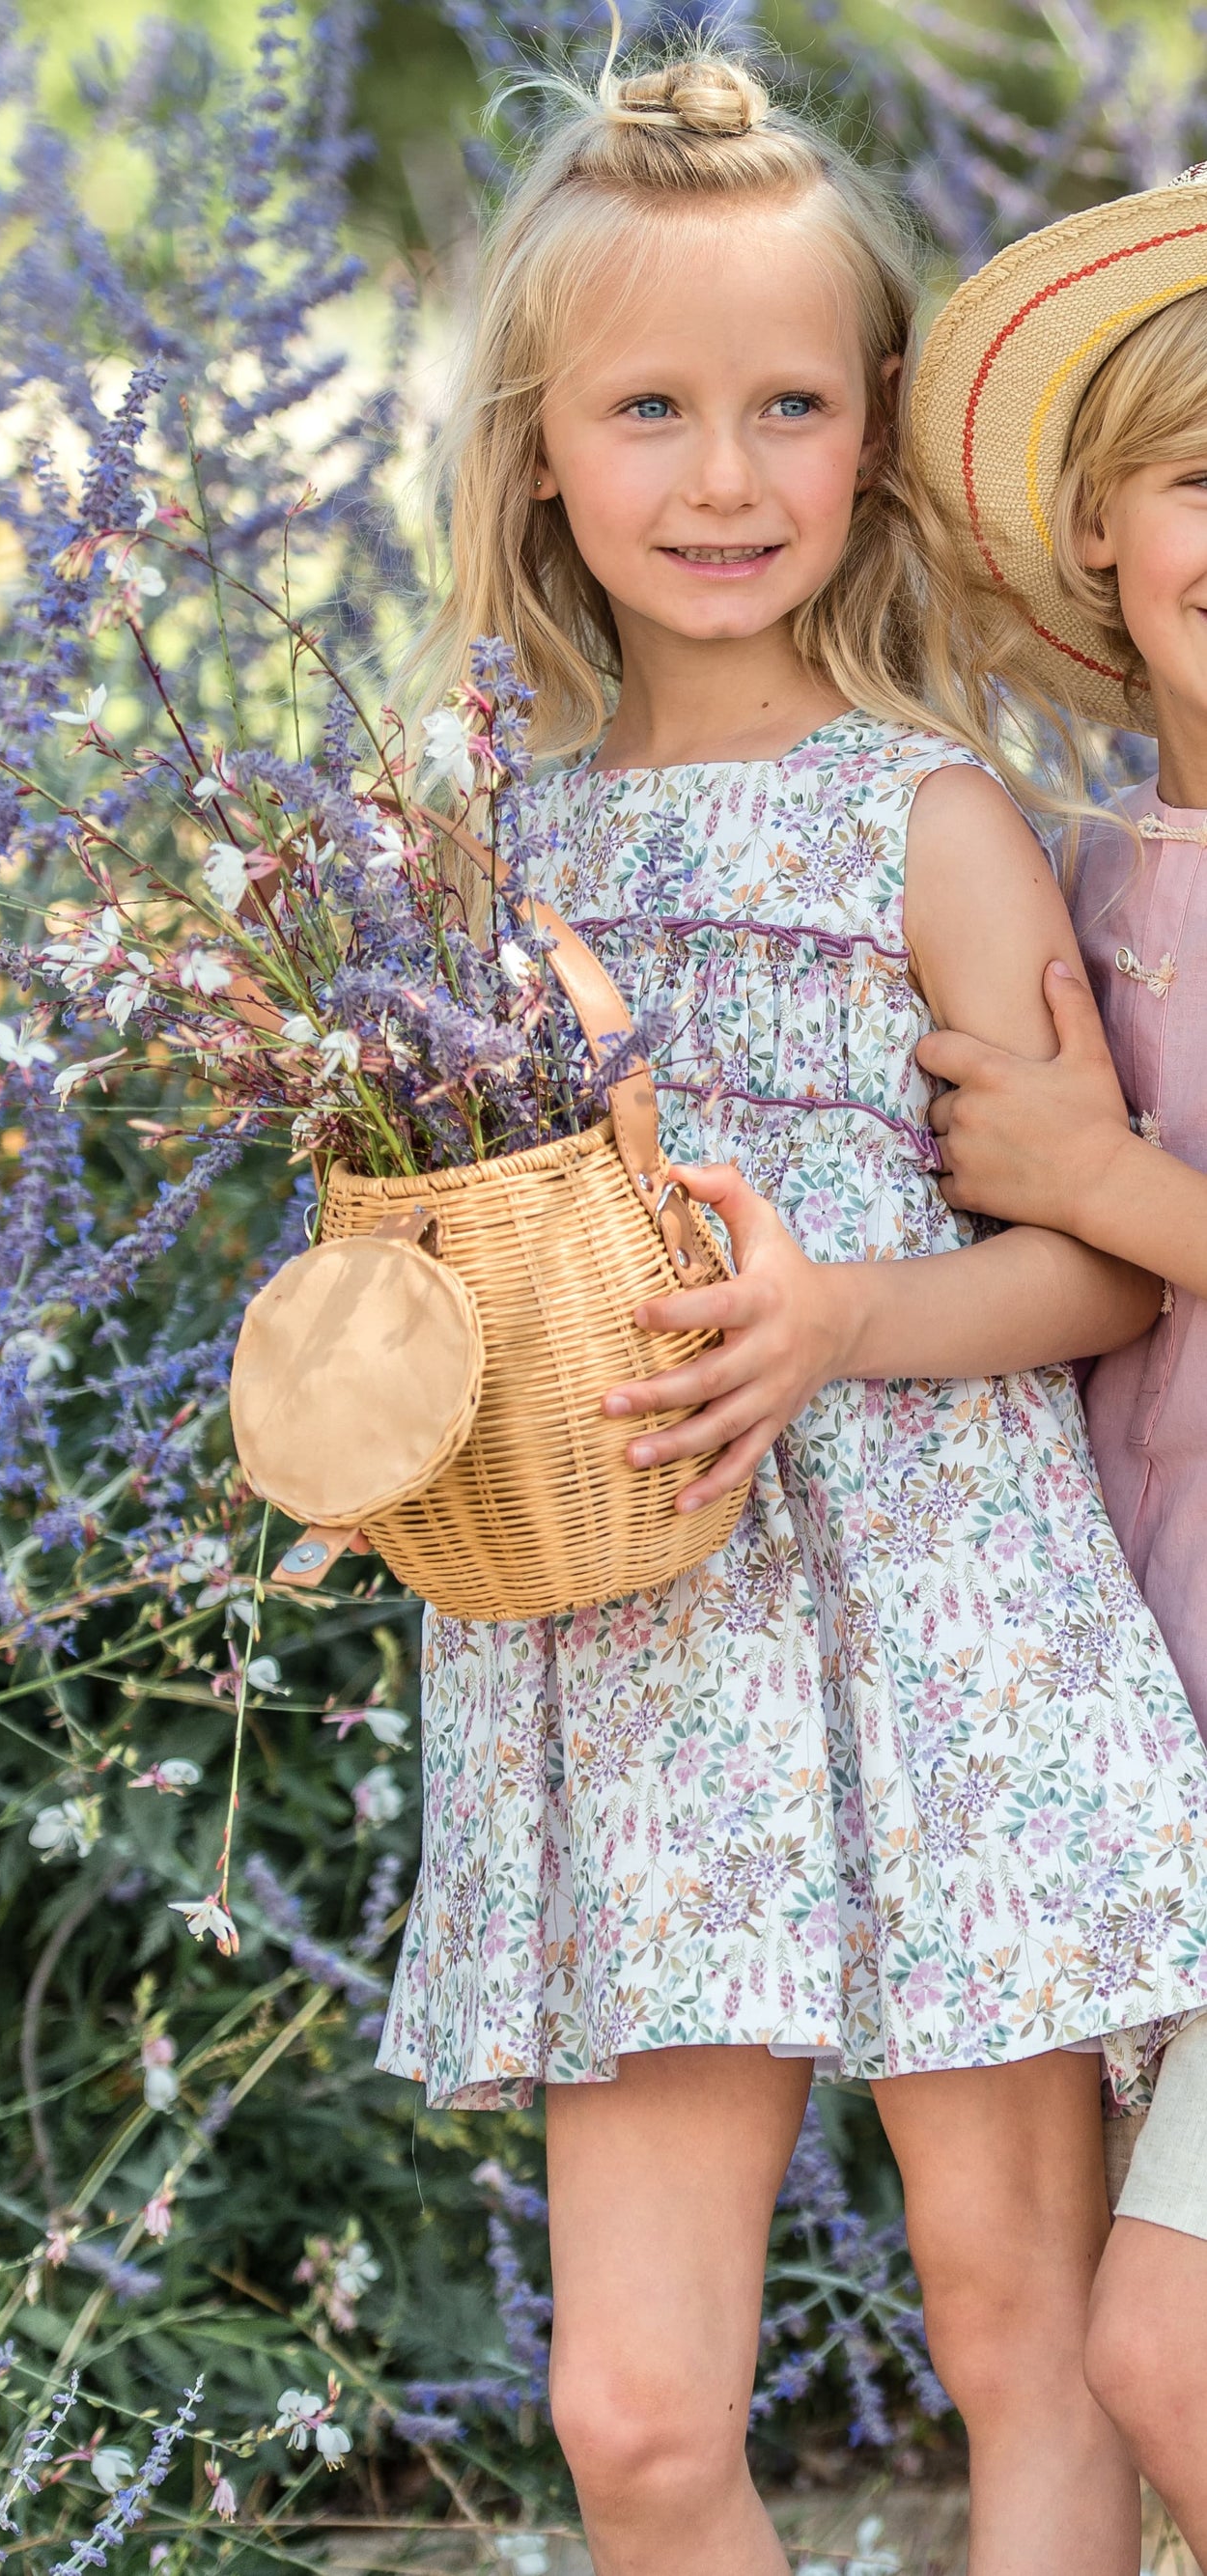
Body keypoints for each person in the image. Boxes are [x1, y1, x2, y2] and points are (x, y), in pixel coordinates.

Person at [379, 42, 1207, 2574]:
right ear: (534, 444)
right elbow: (415, 1221)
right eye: (648, 409)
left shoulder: (928, 817)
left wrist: (831, 1317)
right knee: (632, 2415)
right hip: (628, 1659)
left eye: (784, 407)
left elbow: (1079, 1255)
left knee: (1016, 2346)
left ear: (862, 436)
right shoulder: (474, 843)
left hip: (953, 1633)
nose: (722, 478)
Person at [910, 173, 1207, 2564]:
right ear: (1102, 527)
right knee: (1086, 2340)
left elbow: (1095, 1220)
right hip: (1128, 1735)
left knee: (1162, 2350)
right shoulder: (1082, 873)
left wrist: (1106, 1190)